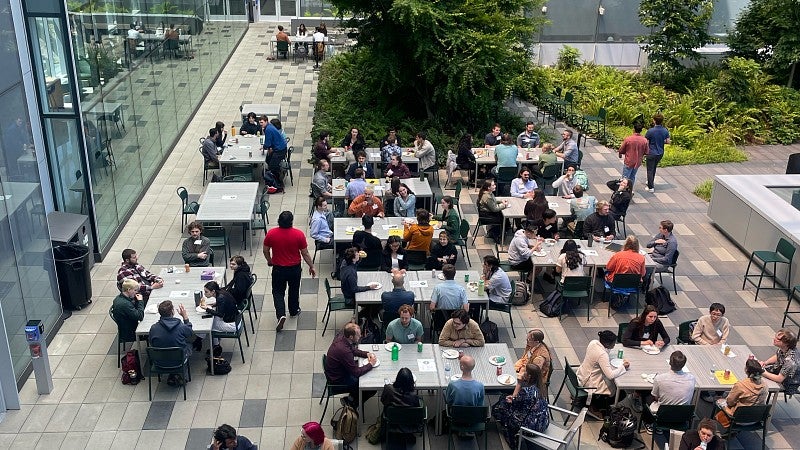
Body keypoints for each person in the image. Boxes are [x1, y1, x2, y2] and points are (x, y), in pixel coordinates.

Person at [263, 211, 316, 331]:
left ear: (279, 221)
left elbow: (265, 250)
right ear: (291, 222)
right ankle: (293, 310)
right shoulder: (298, 234)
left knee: (278, 292)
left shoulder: (271, 234)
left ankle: (281, 314)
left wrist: (269, 260)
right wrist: (311, 266)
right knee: (294, 289)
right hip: (294, 269)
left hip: (278, 269)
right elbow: (305, 253)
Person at [492, 363, 549, 447]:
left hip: (531, 428)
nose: (523, 373)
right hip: (542, 422)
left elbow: (514, 404)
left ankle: (511, 437)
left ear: (529, 376)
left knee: (499, 407)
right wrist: (514, 399)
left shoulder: (526, 391)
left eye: (525, 371)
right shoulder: (540, 388)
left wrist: (519, 384)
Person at [642, 350, 696, 434]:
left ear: (670, 363)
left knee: (646, 395)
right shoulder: (692, 378)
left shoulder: (659, 379)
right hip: (682, 416)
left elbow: (655, 397)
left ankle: (650, 423)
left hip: (663, 415)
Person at [576, 330, 630, 414]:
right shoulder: (602, 354)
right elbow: (610, 375)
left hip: (582, 374)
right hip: (589, 382)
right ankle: (597, 406)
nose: (614, 345)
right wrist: (623, 367)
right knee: (620, 393)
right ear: (608, 344)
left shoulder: (593, 343)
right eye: (614, 343)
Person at [325, 322, 377, 407]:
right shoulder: (344, 351)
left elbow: (352, 350)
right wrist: (370, 364)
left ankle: (352, 398)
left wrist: (366, 354)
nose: (360, 336)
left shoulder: (342, 338)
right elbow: (356, 372)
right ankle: (353, 403)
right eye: (358, 335)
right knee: (370, 387)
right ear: (351, 337)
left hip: (336, 371)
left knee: (362, 372)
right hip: (338, 379)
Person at [149, 300, 194, 384]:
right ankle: (182, 375)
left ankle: (173, 375)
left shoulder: (154, 328)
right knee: (189, 345)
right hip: (179, 361)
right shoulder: (181, 326)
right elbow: (190, 333)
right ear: (173, 311)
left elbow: (152, 343)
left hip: (160, 362)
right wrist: (185, 317)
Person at [714, 359, 768, 427]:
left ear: (746, 370)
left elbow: (729, 402)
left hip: (739, 419)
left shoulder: (741, 385)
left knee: (719, 400)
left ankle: (718, 425)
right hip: (757, 418)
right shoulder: (765, 385)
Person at [201, 281, 239, 354]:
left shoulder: (220, 298)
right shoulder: (222, 292)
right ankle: (201, 338)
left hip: (233, 324)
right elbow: (224, 304)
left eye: (206, 292)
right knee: (212, 319)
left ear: (213, 292)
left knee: (211, 327)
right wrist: (213, 305)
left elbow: (220, 314)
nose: (205, 294)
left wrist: (207, 309)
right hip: (234, 318)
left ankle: (216, 346)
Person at [760, 328, 800, 394]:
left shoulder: (790, 361)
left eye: (778, 339)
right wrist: (765, 363)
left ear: (786, 343)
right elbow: (777, 355)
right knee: (754, 371)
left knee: (758, 379)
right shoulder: (785, 348)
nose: (774, 339)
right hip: (779, 370)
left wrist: (763, 372)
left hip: (787, 382)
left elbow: (779, 379)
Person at [643, 219, 678, 289]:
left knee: (644, 268)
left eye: (660, 228)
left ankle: (646, 285)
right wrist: (656, 242)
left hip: (662, 263)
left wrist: (652, 259)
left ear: (665, 230)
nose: (659, 229)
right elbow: (648, 245)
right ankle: (644, 281)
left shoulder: (672, 243)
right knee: (638, 261)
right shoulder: (661, 235)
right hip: (653, 257)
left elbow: (666, 259)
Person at [259, 115, 288, 190]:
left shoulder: (268, 129)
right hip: (280, 148)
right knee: (268, 159)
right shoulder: (269, 127)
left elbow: (268, 143)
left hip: (280, 150)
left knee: (272, 166)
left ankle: (278, 182)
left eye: (262, 122)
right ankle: (275, 175)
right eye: (260, 122)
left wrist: (264, 147)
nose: (261, 124)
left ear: (266, 121)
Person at [112, 279, 145, 344]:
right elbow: (140, 316)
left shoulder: (119, 298)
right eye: (135, 290)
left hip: (125, 326)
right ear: (129, 290)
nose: (136, 292)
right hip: (130, 333)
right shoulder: (125, 304)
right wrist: (140, 301)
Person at [644, 113, 671, 193]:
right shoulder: (665, 130)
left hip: (651, 152)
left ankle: (650, 187)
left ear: (654, 120)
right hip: (660, 153)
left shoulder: (650, 131)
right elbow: (668, 141)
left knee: (649, 169)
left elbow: (646, 143)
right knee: (654, 167)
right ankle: (650, 180)